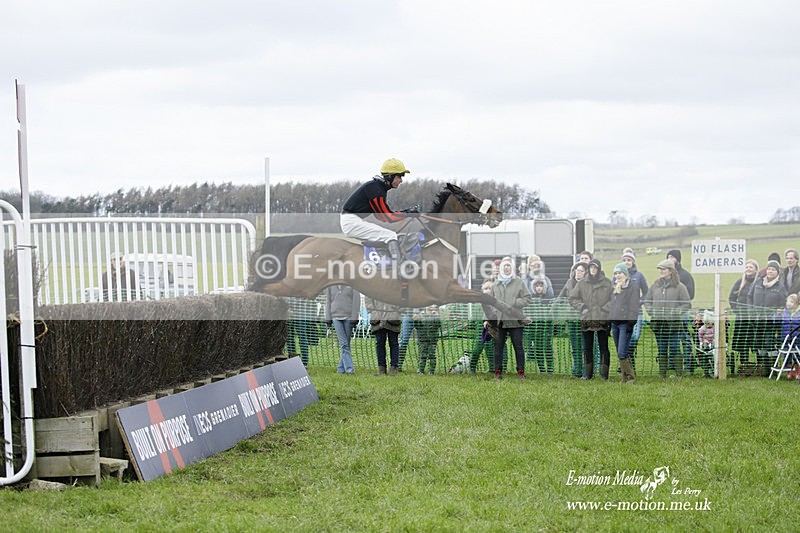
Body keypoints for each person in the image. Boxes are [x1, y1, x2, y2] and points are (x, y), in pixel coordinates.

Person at [339, 158, 419, 262]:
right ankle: (398, 266)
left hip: (353, 220)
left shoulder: (377, 187)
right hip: (351, 222)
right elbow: (387, 217)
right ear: (390, 177)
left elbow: (381, 216)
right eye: (399, 176)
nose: (401, 180)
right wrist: (407, 214)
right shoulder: (376, 189)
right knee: (390, 235)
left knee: (387, 235)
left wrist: (406, 212)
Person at [644, 260, 691, 378]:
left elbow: (687, 304)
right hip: (658, 324)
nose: (661, 271)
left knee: (674, 348)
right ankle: (662, 374)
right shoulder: (655, 286)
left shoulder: (680, 287)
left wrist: (675, 312)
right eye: (660, 269)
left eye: (663, 269)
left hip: (674, 324)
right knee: (662, 348)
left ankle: (679, 374)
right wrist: (651, 311)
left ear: (670, 271)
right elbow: (647, 300)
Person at [569, 258, 613, 380]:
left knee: (603, 347)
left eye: (595, 267)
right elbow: (572, 298)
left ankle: (604, 374)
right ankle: (588, 374)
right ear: (589, 269)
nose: (593, 270)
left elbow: (613, 298)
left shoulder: (607, 283)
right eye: (591, 267)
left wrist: (605, 309)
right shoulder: (581, 283)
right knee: (587, 348)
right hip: (587, 319)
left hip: (602, 320)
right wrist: (582, 307)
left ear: (599, 269)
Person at [490, 258, 532, 379]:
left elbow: (527, 298)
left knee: (518, 347)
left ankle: (521, 372)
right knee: (498, 347)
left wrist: (513, 302)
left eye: (508, 266)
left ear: (512, 268)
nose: (506, 268)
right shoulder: (495, 284)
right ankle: (497, 372)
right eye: (504, 266)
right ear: (501, 268)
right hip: (499, 322)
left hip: (515, 321)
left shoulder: (519, 282)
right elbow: (490, 303)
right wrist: (487, 320)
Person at [748, 259, 788, 376]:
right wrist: (751, 311)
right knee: (758, 343)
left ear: (777, 272)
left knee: (769, 343)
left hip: (771, 321)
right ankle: (763, 368)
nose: (770, 271)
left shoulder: (780, 287)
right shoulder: (758, 283)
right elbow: (750, 296)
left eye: (773, 269)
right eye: (769, 269)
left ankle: (772, 367)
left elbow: (784, 303)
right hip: (757, 319)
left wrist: (778, 311)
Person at [556, 261, 589, 377]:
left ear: (585, 273)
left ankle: (586, 370)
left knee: (585, 346)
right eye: (577, 270)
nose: (578, 272)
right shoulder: (569, 282)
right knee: (575, 346)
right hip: (571, 318)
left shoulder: (587, 284)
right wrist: (552, 308)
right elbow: (561, 296)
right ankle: (577, 369)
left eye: (581, 271)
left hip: (584, 318)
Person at [468, 280, 508, 373]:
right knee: (477, 348)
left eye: (490, 289)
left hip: (495, 327)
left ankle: (496, 368)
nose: (487, 291)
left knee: (496, 347)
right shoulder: (479, 302)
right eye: (485, 289)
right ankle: (472, 367)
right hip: (481, 328)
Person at [667, 249, 696, 373]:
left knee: (684, 337)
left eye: (672, 257)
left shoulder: (685, 275)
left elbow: (690, 294)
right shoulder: (666, 275)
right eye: (668, 257)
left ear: (678, 260)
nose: (669, 259)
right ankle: (673, 362)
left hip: (682, 312)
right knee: (671, 338)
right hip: (669, 312)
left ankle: (689, 362)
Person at [728, 259, 759, 375]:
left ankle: (759, 367)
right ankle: (743, 366)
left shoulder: (759, 282)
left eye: (751, 267)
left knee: (755, 342)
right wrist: (736, 310)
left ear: (756, 269)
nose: (748, 269)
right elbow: (731, 298)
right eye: (747, 267)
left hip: (755, 318)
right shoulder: (739, 282)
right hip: (741, 318)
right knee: (743, 343)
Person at [609, 263, 639, 383]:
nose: (617, 275)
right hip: (615, 323)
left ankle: (630, 378)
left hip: (625, 324)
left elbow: (634, 307)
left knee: (622, 352)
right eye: (615, 273)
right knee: (621, 352)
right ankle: (624, 377)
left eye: (620, 273)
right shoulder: (616, 287)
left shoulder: (633, 287)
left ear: (625, 274)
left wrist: (630, 323)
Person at [324, 285, 361, 374]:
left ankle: (340, 369)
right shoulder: (331, 286)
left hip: (348, 318)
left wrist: (354, 317)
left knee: (346, 344)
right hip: (335, 318)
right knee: (344, 344)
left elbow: (356, 302)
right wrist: (328, 318)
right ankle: (350, 369)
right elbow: (328, 302)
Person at [620, 249, 648, 367]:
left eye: (629, 260)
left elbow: (647, 292)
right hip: (621, 313)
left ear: (633, 262)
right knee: (624, 336)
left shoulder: (639, 276)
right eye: (624, 260)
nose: (627, 262)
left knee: (634, 336)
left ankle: (628, 358)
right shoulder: (618, 274)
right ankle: (626, 362)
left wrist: (639, 302)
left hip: (637, 312)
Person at [365, 296, 403, 375]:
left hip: (393, 319)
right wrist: (373, 311)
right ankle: (381, 369)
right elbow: (368, 297)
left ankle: (394, 368)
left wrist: (397, 310)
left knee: (394, 343)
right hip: (378, 319)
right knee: (379, 344)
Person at [524, 278, 554, 374]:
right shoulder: (531, 299)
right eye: (537, 286)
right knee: (538, 348)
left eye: (541, 286)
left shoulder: (548, 299)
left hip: (546, 327)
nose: (539, 288)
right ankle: (542, 369)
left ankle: (550, 369)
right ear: (534, 287)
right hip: (535, 328)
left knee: (547, 347)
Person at [285, 297, 321, 366]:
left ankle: (304, 362)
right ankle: (292, 360)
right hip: (288, 312)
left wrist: (291, 305)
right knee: (289, 337)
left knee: (302, 337)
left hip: (300, 312)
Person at [413, 305, 442, 374]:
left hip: (433, 339)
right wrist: (416, 321)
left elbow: (438, 325)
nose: (431, 307)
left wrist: (436, 316)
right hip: (423, 338)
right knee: (422, 354)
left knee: (432, 355)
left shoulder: (436, 315)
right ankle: (421, 370)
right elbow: (417, 327)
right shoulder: (421, 315)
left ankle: (431, 371)